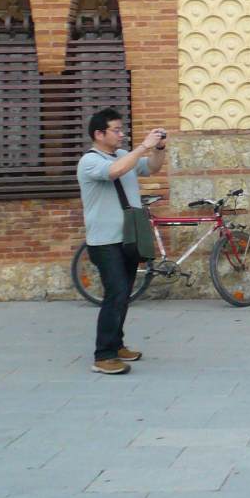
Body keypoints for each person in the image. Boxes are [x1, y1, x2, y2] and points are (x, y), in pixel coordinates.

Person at [78, 108, 167, 375]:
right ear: (99, 134)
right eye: (116, 130)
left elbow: (151, 168)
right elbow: (115, 171)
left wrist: (159, 148)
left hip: (127, 238)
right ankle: (103, 355)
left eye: (121, 129)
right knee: (115, 293)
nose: (121, 134)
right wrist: (143, 146)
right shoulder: (90, 161)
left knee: (123, 294)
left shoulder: (122, 156)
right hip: (104, 242)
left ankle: (116, 345)